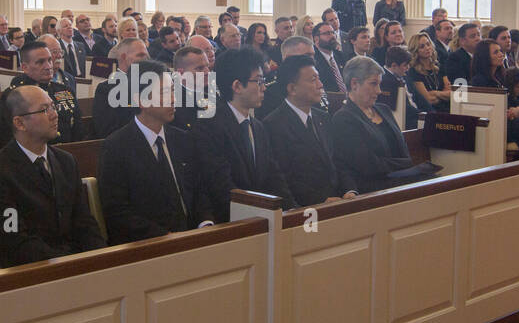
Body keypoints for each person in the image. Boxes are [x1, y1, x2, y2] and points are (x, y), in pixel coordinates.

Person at [0, 86, 106, 267]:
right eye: (45, 110)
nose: (54, 115)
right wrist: (64, 263)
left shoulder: (66, 161)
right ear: (20, 123)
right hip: (33, 270)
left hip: (74, 261)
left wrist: (102, 258)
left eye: (53, 107)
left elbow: (84, 221)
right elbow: (13, 238)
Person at [97, 61, 217, 243]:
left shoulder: (183, 139)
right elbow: (117, 211)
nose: (173, 99)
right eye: (164, 93)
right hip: (149, 245)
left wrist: (205, 223)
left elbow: (199, 189)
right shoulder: (116, 147)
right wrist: (164, 237)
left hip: (193, 237)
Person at [197, 48, 296, 221]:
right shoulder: (209, 126)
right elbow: (221, 186)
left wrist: (292, 211)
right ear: (237, 86)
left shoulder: (258, 126)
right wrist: (260, 216)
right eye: (258, 81)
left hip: (262, 219)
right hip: (231, 224)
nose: (264, 88)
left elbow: (274, 176)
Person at [330, 56, 439, 193]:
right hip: (374, 189)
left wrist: (404, 164)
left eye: (379, 84)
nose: (379, 91)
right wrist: (406, 164)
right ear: (354, 84)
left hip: (401, 179)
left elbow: (403, 149)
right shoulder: (343, 118)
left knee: (438, 183)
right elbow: (368, 165)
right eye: (373, 84)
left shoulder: (384, 110)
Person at [263, 54, 357, 207]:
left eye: (318, 78)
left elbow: (337, 160)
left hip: (338, 202)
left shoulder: (323, 117)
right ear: (292, 88)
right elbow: (283, 177)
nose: (320, 85)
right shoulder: (273, 125)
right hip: (306, 210)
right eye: (313, 80)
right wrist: (319, 200)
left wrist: (349, 190)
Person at [0, 40, 84, 145]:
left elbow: (78, 131)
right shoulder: (15, 95)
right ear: (25, 67)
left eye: (49, 60)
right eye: (40, 62)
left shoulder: (64, 90)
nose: (48, 66)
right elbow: (8, 136)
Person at [93, 38, 149, 138]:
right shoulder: (107, 89)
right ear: (124, 57)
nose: (146, 59)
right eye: (140, 55)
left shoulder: (152, 82)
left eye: (146, 55)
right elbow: (106, 129)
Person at [406, 32, 451, 114]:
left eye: (428, 44)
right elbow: (428, 99)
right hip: (430, 112)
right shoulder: (414, 71)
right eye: (422, 46)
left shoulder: (438, 66)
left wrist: (434, 93)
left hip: (447, 109)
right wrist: (443, 95)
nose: (427, 48)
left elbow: (450, 93)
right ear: (416, 50)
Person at [312, 22, 348, 94]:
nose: (332, 36)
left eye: (333, 32)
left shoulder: (341, 56)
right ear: (316, 39)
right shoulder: (313, 60)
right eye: (327, 33)